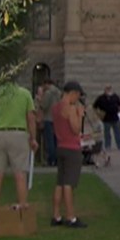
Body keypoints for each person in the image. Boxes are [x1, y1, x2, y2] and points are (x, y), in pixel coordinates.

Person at [0, 81, 38, 219]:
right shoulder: (25, 94)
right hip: (19, 133)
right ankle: (22, 206)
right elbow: (30, 118)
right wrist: (33, 138)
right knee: (20, 174)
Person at [51, 81, 88, 228]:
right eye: (77, 96)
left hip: (60, 145)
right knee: (69, 183)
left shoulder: (56, 108)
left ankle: (56, 215)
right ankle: (70, 216)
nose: (77, 99)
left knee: (60, 182)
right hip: (72, 148)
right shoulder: (70, 108)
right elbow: (76, 129)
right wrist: (80, 115)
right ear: (73, 93)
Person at [94, 85, 120, 159]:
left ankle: (119, 145)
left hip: (115, 118)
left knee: (117, 133)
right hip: (106, 119)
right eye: (107, 89)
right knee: (107, 133)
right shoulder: (101, 98)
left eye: (109, 89)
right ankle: (108, 146)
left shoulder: (115, 96)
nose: (108, 90)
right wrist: (98, 114)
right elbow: (95, 106)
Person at [39, 79, 61, 167]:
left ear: (46, 84)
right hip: (58, 119)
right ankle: (57, 159)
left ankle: (51, 159)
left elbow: (44, 105)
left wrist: (40, 99)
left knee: (49, 140)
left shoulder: (48, 93)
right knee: (56, 140)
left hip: (49, 118)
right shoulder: (59, 93)